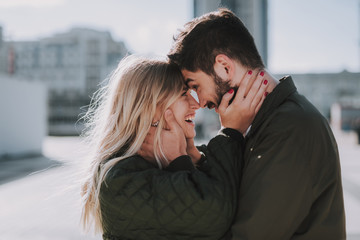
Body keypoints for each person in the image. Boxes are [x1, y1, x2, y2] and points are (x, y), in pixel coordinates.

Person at [162, 8, 346, 240]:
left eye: (195, 86)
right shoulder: (268, 122)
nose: (201, 103)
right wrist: (197, 159)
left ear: (224, 67)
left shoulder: (290, 127)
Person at [80, 55, 267, 240]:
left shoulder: (168, 159)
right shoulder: (118, 178)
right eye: (183, 94)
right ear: (150, 108)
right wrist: (231, 132)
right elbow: (211, 213)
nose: (196, 104)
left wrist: (196, 158)